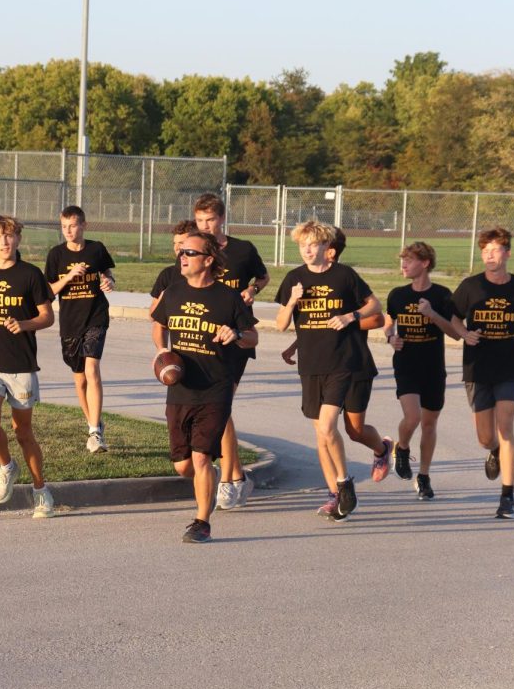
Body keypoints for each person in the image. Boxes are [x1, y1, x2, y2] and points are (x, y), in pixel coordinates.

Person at [152, 231, 258, 543]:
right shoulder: (173, 292)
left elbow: (253, 337)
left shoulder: (227, 298)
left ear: (208, 260)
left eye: (189, 253)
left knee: (201, 459)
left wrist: (236, 335)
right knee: (184, 465)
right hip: (181, 389)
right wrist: (161, 352)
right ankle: (211, 482)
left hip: (216, 389)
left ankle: (202, 522)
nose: (181, 257)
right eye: (181, 252)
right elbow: (158, 323)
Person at [275, 220, 382, 521]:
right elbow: (281, 324)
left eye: (312, 244)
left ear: (326, 247)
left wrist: (351, 316)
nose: (306, 250)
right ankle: (338, 491)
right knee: (321, 434)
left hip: (341, 362)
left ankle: (344, 483)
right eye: (301, 245)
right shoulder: (294, 278)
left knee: (327, 426)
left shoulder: (344, 275)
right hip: (311, 365)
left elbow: (375, 304)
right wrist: (293, 300)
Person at [0, 214, 56, 519]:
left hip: (20, 365)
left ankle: (40, 489)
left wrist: (24, 324)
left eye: (10, 236)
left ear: (18, 239)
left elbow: (48, 316)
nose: (4, 241)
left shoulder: (30, 275)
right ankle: (7, 466)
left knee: (23, 432)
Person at [193, 192, 269, 509]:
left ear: (222, 218)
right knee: (219, 409)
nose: (205, 226)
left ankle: (227, 479)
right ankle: (238, 476)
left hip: (237, 336)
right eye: (199, 220)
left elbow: (262, 276)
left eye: (209, 220)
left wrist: (252, 289)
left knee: (221, 406)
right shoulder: (195, 250)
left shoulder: (242, 250)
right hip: (206, 335)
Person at [450, 227, 514, 519]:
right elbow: (453, 316)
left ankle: (507, 496)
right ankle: (493, 451)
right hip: (477, 366)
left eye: (495, 250)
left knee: (505, 427)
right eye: (485, 251)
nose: (489, 256)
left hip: (511, 365)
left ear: (507, 253)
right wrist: (464, 333)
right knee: (486, 436)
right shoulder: (471, 286)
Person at [384, 242, 456, 500]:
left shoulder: (443, 295)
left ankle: (423, 476)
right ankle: (401, 449)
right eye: (402, 259)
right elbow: (388, 323)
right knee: (412, 417)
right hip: (406, 364)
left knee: (429, 423)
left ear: (425, 263)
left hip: (433, 367)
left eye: (409, 260)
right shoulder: (397, 295)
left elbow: (455, 333)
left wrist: (432, 314)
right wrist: (390, 338)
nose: (403, 264)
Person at [45, 205, 115, 453]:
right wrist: (69, 277)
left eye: (73, 226)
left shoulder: (96, 249)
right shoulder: (56, 255)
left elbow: (107, 273)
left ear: (84, 226)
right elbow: (49, 290)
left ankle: (95, 432)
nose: (68, 231)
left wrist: (108, 281)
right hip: (70, 322)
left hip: (96, 317)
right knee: (79, 379)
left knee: (91, 368)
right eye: (64, 227)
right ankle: (93, 423)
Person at [148, 219, 199, 316]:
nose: (176, 248)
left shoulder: (209, 273)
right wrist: (163, 298)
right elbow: (152, 315)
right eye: (174, 243)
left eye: (181, 243)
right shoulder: (167, 275)